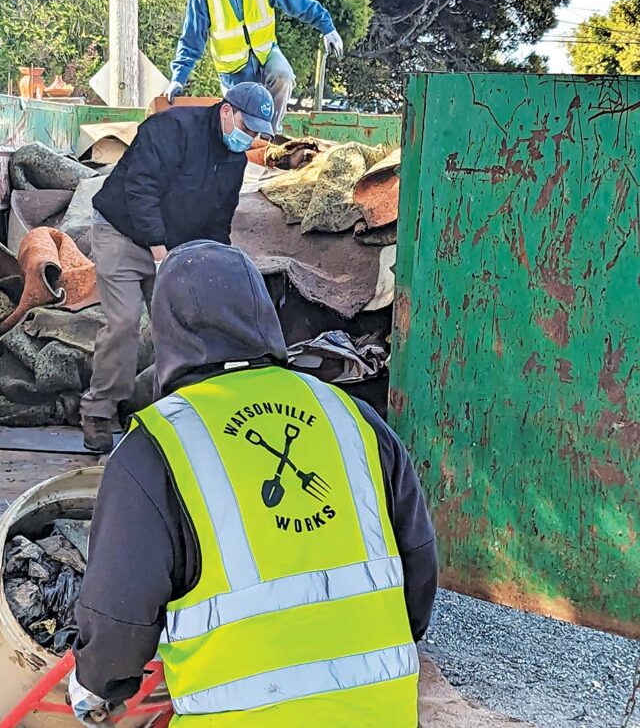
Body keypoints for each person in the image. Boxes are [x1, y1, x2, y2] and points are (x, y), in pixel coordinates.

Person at [69, 241, 438, 726]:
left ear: (165, 331)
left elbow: (118, 616)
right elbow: (418, 566)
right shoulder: (352, 417)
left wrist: (97, 684)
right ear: (264, 314)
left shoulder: (155, 448)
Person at [80, 82, 275, 453]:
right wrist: (160, 254)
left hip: (173, 245)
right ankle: (99, 412)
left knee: (186, 326)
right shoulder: (171, 129)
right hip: (121, 232)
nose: (248, 139)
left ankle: (166, 409)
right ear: (225, 111)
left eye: (257, 134)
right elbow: (141, 189)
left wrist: (214, 268)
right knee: (123, 322)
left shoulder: (235, 161)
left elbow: (219, 221)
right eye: (246, 129)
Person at [165, 0, 344, 133]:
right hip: (234, 73)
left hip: (266, 53)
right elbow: (191, 40)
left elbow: (295, 1)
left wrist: (327, 26)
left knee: (283, 76)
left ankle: (270, 135)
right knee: (241, 123)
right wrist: (178, 79)